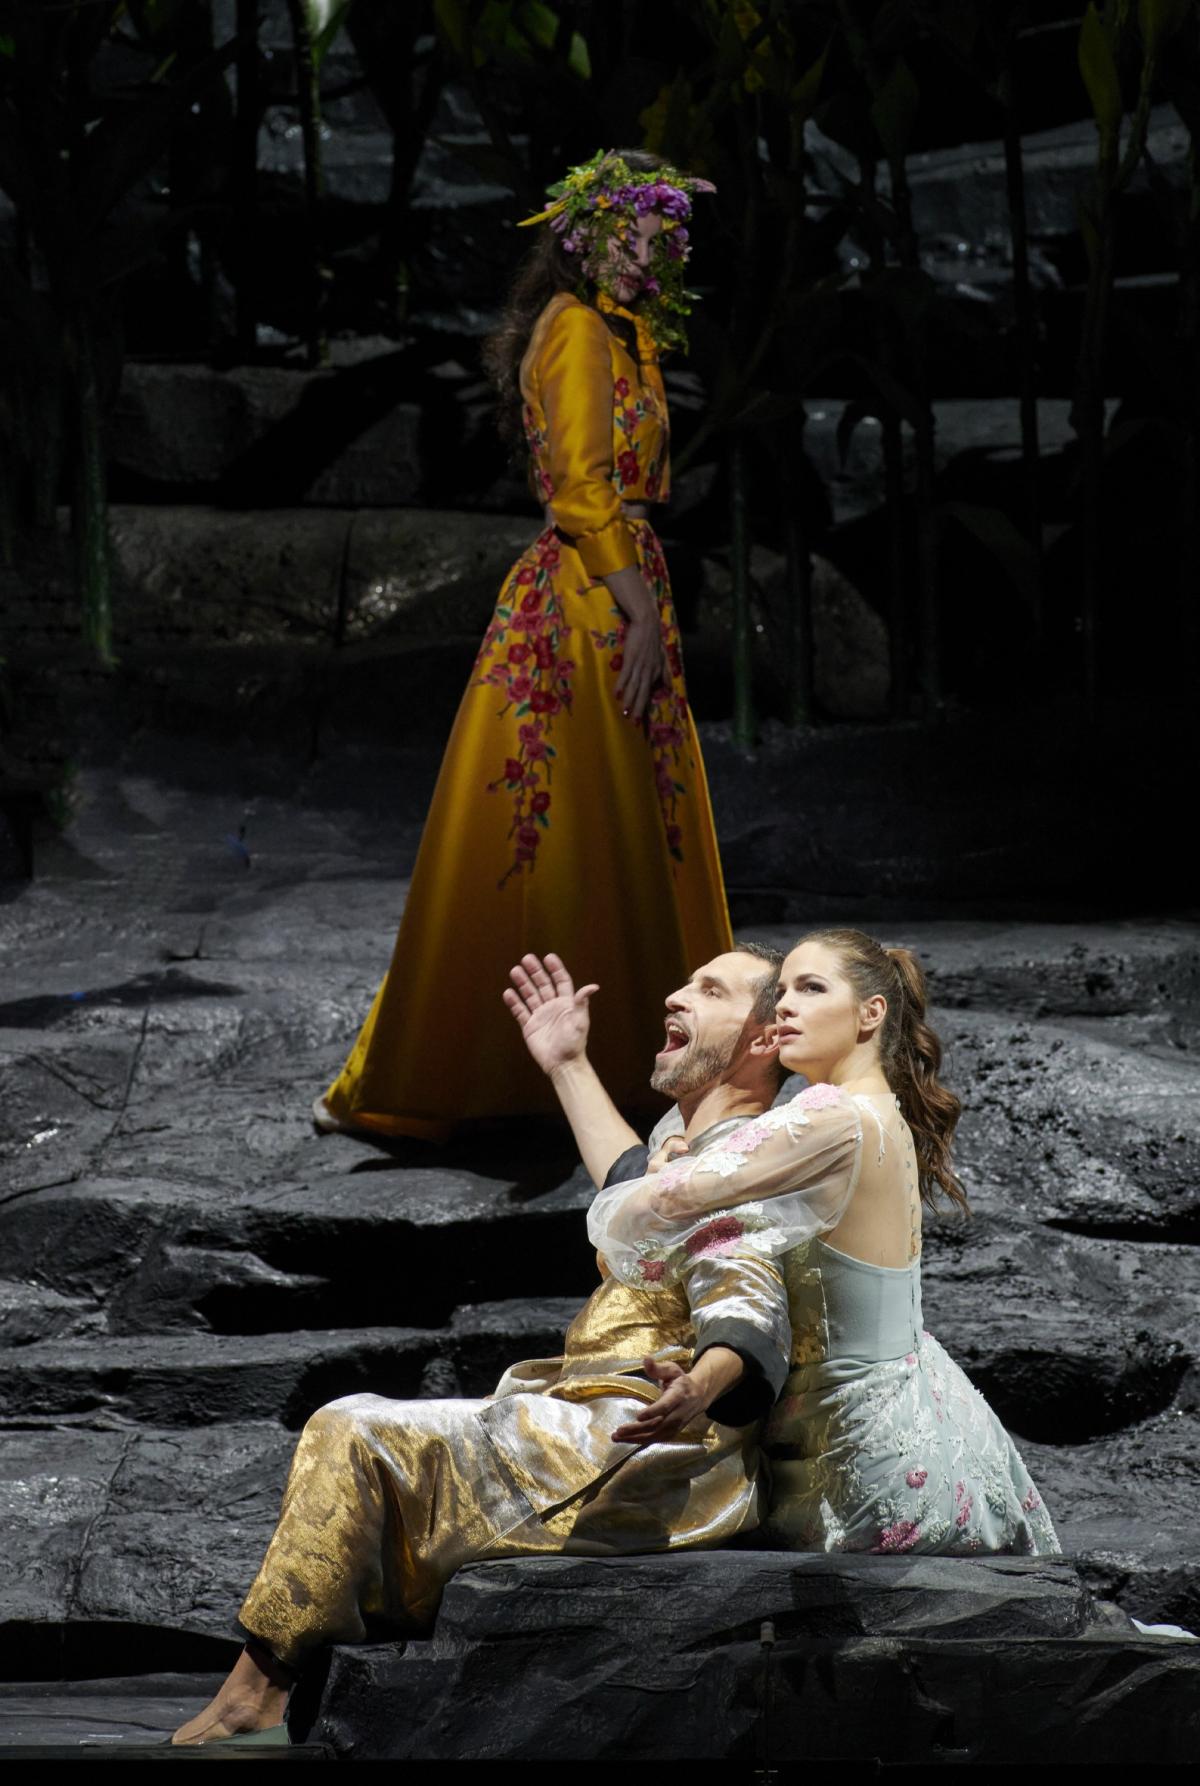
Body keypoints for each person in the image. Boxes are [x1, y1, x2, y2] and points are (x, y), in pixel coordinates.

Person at [170, 946, 792, 1747]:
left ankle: (254, 1694)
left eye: (709, 990)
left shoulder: (747, 1160)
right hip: (595, 1415)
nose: (675, 994)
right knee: (379, 1447)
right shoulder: (691, 1139)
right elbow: (632, 1180)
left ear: (764, 1037)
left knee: (353, 1430)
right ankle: (285, 1678)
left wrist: (702, 1384)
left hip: (647, 1444)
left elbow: (747, 1295)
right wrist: (566, 1062)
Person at [314, 149, 731, 1142]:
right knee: (563, 835)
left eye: (665, 240)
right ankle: (486, 1068)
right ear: (585, 239)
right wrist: (637, 611)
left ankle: (631, 1056)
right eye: (638, 236)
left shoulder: (622, 329)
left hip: (620, 581)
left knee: (618, 831)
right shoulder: (576, 327)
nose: (655, 254)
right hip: (589, 598)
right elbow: (580, 492)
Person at [589, 928, 1062, 1558]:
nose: (786, 1005)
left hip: (857, 1442)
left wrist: (664, 1166)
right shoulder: (879, 1110)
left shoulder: (826, 1116)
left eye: (811, 989)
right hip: (923, 1411)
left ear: (871, 1013)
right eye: (782, 990)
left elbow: (646, 1209)